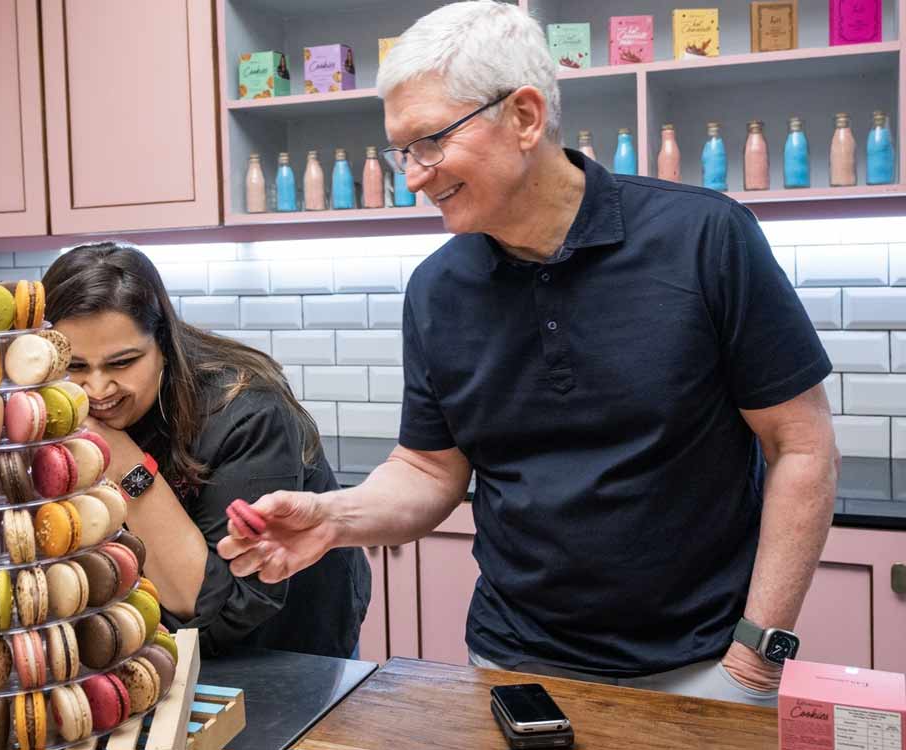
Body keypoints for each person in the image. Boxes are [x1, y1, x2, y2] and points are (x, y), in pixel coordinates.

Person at [218, 1, 837, 705]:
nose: (412, 175)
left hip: (703, 665)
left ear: (524, 116)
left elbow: (803, 447)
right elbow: (427, 469)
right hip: (513, 661)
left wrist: (757, 656)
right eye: (401, 151)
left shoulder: (705, 238)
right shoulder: (437, 289)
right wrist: (334, 517)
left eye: (429, 142)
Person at [42, 242, 370, 658]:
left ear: (163, 342)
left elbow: (212, 602)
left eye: (122, 362)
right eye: (75, 367)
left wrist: (123, 462)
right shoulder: (44, 409)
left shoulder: (246, 411)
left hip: (291, 650)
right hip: (159, 654)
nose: (98, 389)